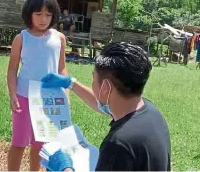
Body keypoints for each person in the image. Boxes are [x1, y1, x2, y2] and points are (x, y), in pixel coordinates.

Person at [41, 42, 171, 171]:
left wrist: (65, 168)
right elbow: (109, 105)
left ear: (105, 87)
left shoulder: (118, 145)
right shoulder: (150, 112)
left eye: (93, 78)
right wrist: (71, 84)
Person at [7, 0, 69, 171]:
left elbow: (61, 68)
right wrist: (12, 94)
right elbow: (12, 70)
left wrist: (65, 93)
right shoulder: (21, 38)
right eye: (38, 14)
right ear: (29, 13)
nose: (43, 19)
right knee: (18, 143)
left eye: (48, 14)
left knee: (40, 144)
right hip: (24, 97)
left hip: (50, 99)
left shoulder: (59, 38)